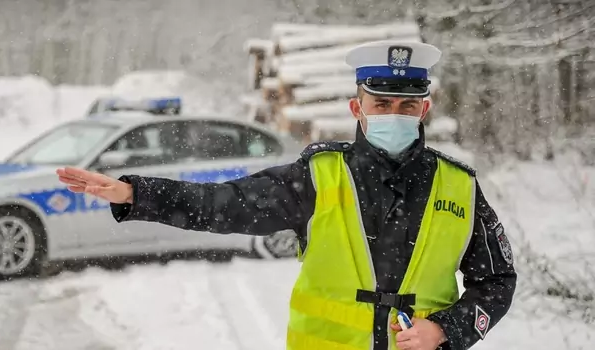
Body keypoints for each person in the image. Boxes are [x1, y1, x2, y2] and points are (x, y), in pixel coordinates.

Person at [56, 40, 517, 350]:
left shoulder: (460, 185)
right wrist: (137, 193)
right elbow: (223, 204)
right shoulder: (318, 176)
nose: (395, 114)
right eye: (382, 104)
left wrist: (444, 329)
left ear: (425, 109)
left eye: (407, 105)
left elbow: (497, 280)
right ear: (358, 107)